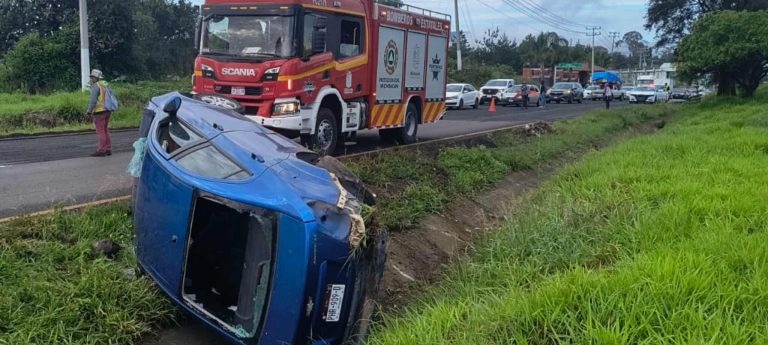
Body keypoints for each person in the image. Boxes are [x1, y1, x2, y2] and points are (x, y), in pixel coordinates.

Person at [85, 69, 118, 157]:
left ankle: (101, 150)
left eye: (92, 77)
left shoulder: (96, 86)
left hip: (100, 111)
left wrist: (88, 111)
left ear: (96, 77)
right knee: (105, 130)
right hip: (108, 110)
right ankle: (108, 149)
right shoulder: (106, 84)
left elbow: (93, 100)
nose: (91, 79)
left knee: (100, 131)